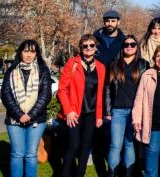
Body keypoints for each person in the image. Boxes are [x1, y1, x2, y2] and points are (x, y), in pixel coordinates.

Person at [1, 39, 52, 177]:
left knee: (30, 154)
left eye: (32, 51)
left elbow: (45, 95)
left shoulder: (43, 70)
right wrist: (19, 115)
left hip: (36, 119)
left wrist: (30, 115)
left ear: (37, 54)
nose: (29, 55)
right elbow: (6, 95)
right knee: (17, 154)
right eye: (26, 51)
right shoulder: (11, 71)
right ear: (20, 53)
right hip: (14, 119)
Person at [58, 34, 106, 177]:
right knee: (74, 145)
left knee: (85, 148)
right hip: (74, 113)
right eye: (85, 46)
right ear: (81, 48)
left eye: (91, 45)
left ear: (95, 47)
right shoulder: (72, 64)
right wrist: (68, 111)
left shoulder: (101, 67)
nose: (88, 48)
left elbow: (101, 93)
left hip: (91, 114)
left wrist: (99, 116)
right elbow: (62, 90)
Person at [104, 35, 150, 177]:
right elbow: (107, 89)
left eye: (132, 44)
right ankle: (112, 173)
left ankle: (128, 173)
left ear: (137, 47)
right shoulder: (114, 64)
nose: (129, 47)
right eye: (126, 44)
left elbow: (147, 90)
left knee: (129, 144)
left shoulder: (143, 64)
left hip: (134, 112)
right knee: (115, 145)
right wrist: (107, 111)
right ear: (122, 47)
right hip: (117, 111)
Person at [133, 45, 160, 177]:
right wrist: (136, 119)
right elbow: (139, 99)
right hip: (153, 121)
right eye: (158, 56)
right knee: (152, 154)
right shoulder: (147, 74)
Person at [94, 10, 126, 177]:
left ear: (118, 22)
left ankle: (116, 166)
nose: (110, 24)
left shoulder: (124, 41)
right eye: (107, 21)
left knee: (115, 128)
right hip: (96, 85)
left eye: (113, 21)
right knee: (100, 128)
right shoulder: (95, 39)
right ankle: (102, 161)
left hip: (116, 88)